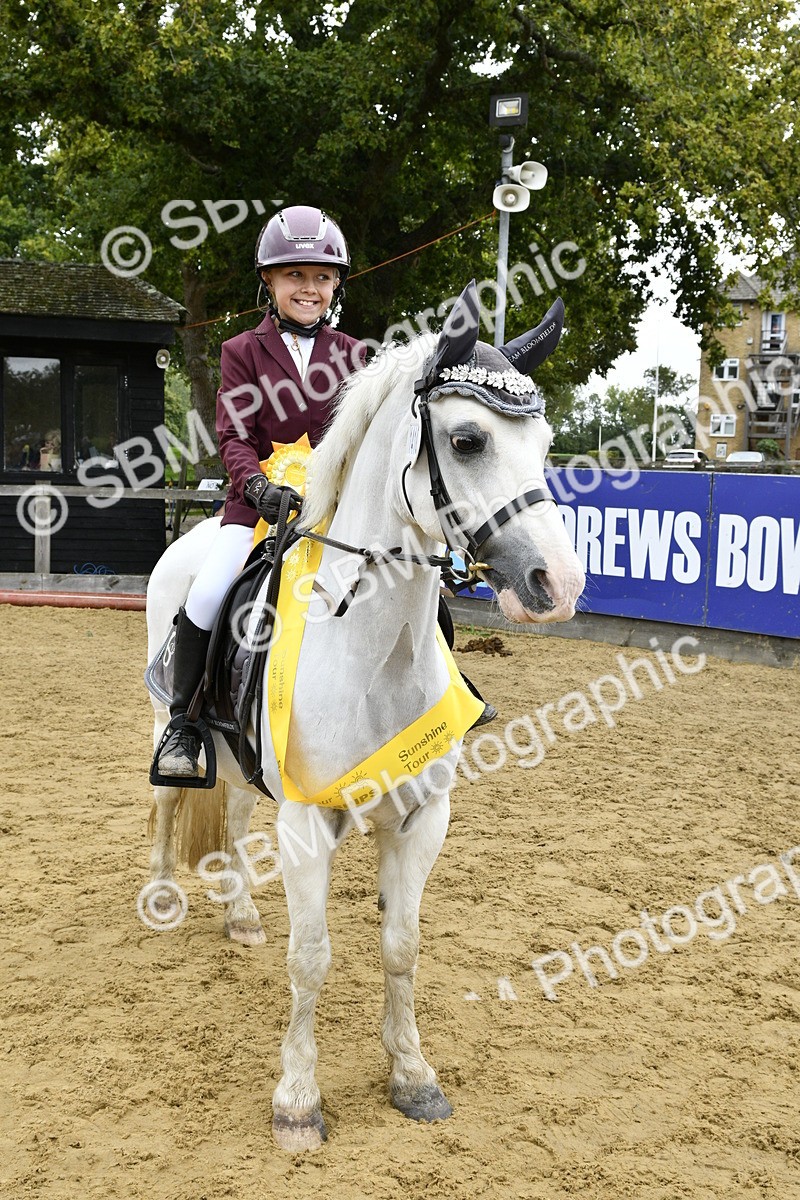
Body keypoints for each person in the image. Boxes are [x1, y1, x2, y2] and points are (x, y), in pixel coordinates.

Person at [157, 205, 367, 778]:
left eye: (322, 277)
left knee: (402, 578)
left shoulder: (356, 355)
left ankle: (444, 687)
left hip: (334, 512)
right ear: (269, 281)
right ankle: (184, 723)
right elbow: (233, 434)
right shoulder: (241, 351)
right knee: (206, 594)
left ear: (336, 286)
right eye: (295, 275)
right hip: (257, 508)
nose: (309, 288)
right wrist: (255, 485)